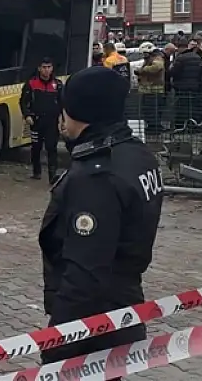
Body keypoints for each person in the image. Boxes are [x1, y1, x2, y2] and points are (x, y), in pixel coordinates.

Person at [39, 67, 163, 377]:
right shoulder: (136, 154)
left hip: (92, 326)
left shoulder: (96, 177)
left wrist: (58, 340)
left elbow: (86, 272)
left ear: (80, 111)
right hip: (124, 308)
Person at [20, 58, 63, 182]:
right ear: (39, 68)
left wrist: (63, 119)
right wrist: (27, 115)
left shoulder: (58, 85)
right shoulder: (31, 83)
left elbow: (63, 103)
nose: (46, 70)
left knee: (51, 147)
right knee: (36, 148)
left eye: (49, 67)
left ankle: (52, 175)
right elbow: (23, 102)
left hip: (52, 122)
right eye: (44, 67)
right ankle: (36, 172)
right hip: (36, 121)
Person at [169, 39, 202, 129]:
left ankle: (180, 126)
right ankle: (194, 125)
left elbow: (173, 72)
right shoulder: (197, 57)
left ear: (180, 47)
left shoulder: (181, 58)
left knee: (182, 107)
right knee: (193, 107)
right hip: (195, 86)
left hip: (182, 87)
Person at [135, 43, 165, 136]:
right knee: (148, 109)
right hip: (148, 89)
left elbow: (157, 67)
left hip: (153, 89)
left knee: (152, 109)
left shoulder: (157, 58)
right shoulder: (150, 59)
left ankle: (154, 127)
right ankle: (152, 125)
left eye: (144, 53)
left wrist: (141, 70)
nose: (143, 55)